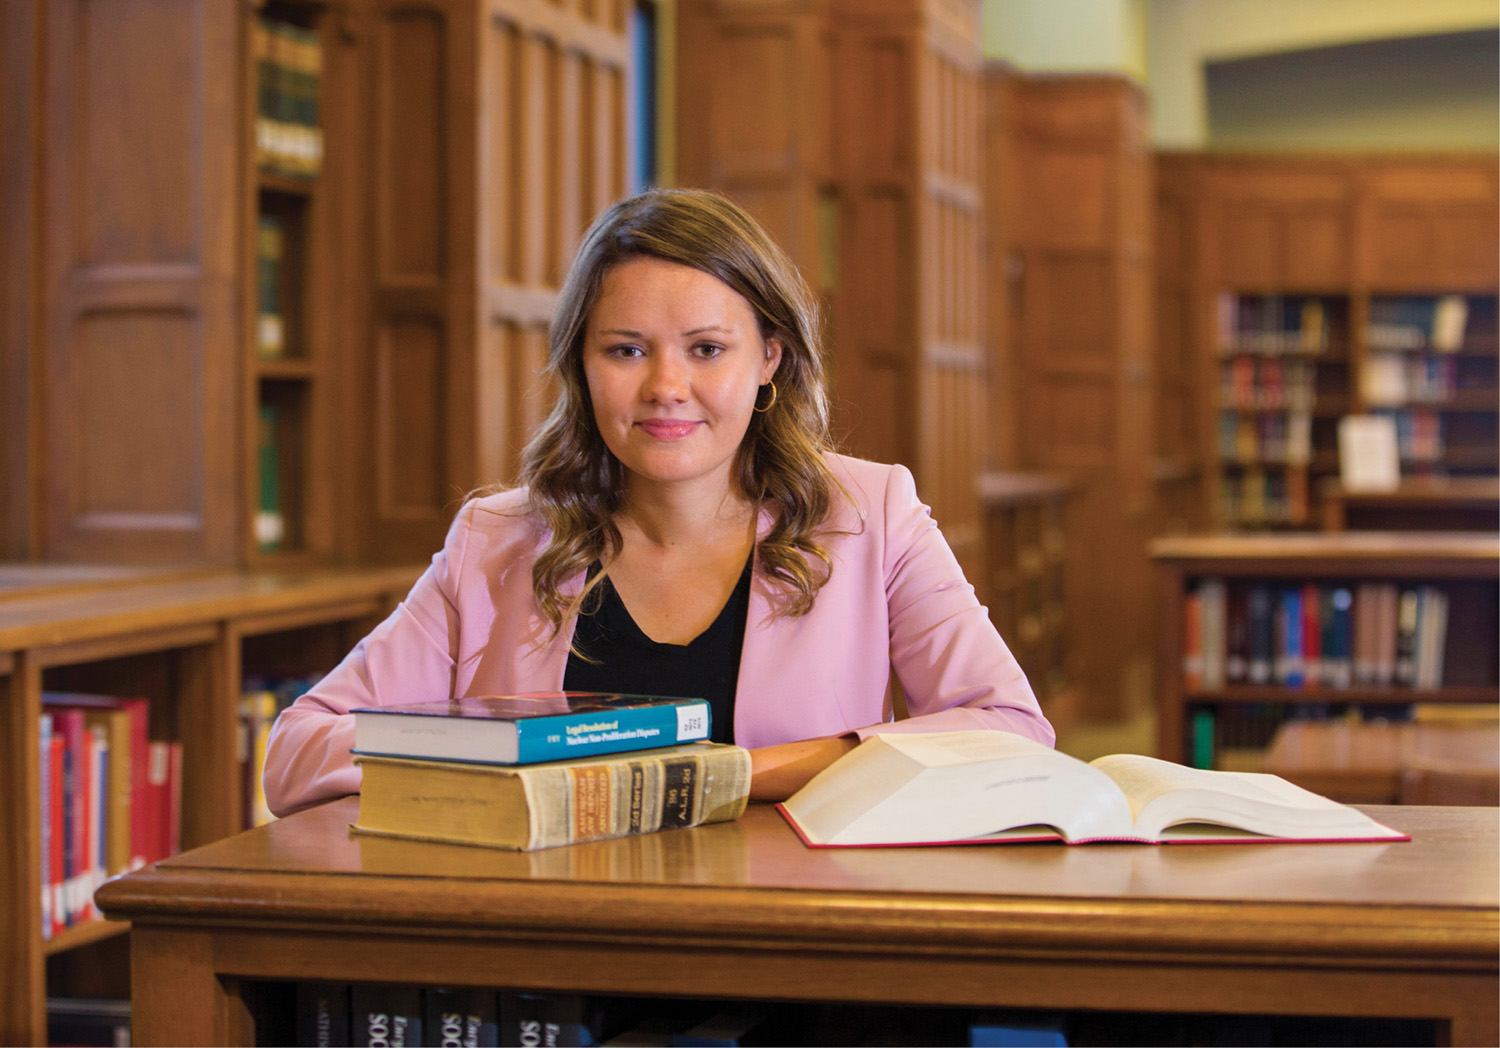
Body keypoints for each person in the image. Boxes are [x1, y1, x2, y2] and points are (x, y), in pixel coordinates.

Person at [263, 188, 1053, 817]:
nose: (665, 388)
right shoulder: (498, 539)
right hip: (563, 943)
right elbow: (297, 750)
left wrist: (739, 775)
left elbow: (1009, 729)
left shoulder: (873, 514)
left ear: (769, 359)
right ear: (582, 364)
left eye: (707, 349)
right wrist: (511, 762)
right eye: (626, 350)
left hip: (802, 952)